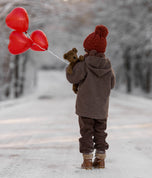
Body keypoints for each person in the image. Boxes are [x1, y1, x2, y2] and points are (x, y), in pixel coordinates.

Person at [66, 25, 115, 169]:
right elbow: (112, 83)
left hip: (85, 107)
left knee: (86, 132)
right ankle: (100, 160)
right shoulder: (108, 65)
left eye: (86, 49)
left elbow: (73, 78)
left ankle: (87, 160)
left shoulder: (84, 64)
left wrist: (71, 66)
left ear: (90, 50)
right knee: (100, 132)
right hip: (101, 108)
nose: (84, 52)